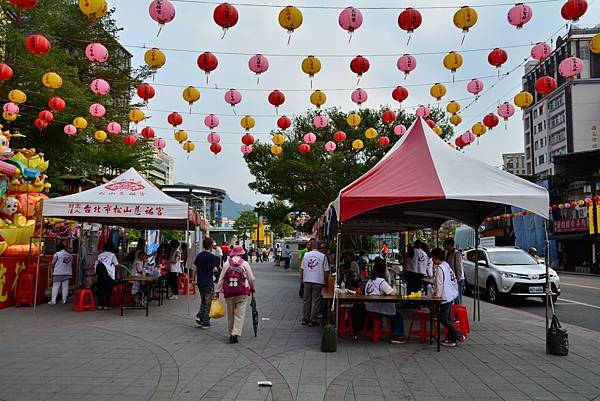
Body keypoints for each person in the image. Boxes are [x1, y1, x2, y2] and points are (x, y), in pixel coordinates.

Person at [216, 245, 256, 343]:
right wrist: (253, 288)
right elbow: (252, 278)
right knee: (240, 314)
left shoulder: (226, 263)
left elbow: (221, 278)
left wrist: (217, 291)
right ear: (241, 254)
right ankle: (235, 333)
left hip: (228, 293)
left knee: (230, 314)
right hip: (242, 292)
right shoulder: (244, 263)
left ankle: (231, 332)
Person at [364, 258, 406, 344]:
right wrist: (394, 285)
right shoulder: (381, 281)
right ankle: (397, 335)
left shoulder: (370, 280)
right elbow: (392, 293)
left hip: (369, 306)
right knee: (398, 315)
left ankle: (394, 332)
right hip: (378, 306)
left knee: (393, 312)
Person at [431, 248, 466, 347]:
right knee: (449, 319)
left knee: (443, 319)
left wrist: (437, 296)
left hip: (445, 297)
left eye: (433, 258)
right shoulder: (446, 265)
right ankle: (451, 339)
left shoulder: (440, 268)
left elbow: (439, 283)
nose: (432, 260)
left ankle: (458, 335)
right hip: (451, 295)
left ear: (437, 258)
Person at [301, 240, 329, 327]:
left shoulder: (306, 255)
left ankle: (305, 318)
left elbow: (302, 268)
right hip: (318, 281)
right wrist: (325, 281)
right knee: (316, 301)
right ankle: (313, 320)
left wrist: (302, 278)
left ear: (312, 246)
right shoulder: (323, 256)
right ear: (319, 247)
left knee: (306, 300)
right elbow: (326, 271)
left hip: (307, 280)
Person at [194, 238, 220, 328]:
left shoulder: (199, 256)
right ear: (211, 246)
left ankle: (200, 316)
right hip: (208, 282)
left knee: (203, 300)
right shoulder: (212, 257)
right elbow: (215, 269)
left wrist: (194, 279)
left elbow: (195, 268)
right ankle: (205, 321)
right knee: (208, 302)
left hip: (200, 282)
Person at [95, 242, 120, 310]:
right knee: (108, 290)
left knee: (101, 290)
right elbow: (117, 265)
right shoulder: (112, 255)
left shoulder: (100, 255)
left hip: (100, 275)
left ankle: (100, 305)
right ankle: (107, 305)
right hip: (108, 274)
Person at [444, 238, 464, 305]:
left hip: (457, 279)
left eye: (445, 244)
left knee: (457, 298)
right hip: (451, 279)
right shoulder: (447, 253)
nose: (444, 245)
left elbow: (458, 268)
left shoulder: (456, 254)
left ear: (449, 244)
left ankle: (458, 313)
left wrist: (457, 279)